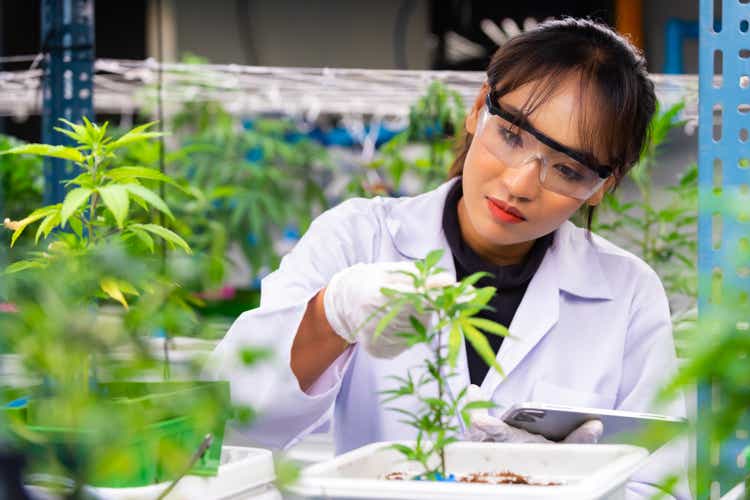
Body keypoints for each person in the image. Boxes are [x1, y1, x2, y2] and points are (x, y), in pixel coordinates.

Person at [206, 17, 688, 499]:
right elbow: (231, 420)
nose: (520, 184)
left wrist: (568, 483)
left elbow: (663, 486)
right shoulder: (357, 238)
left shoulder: (626, 293)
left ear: (604, 185)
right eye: (513, 135)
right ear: (479, 109)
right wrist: (332, 315)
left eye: (567, 168)